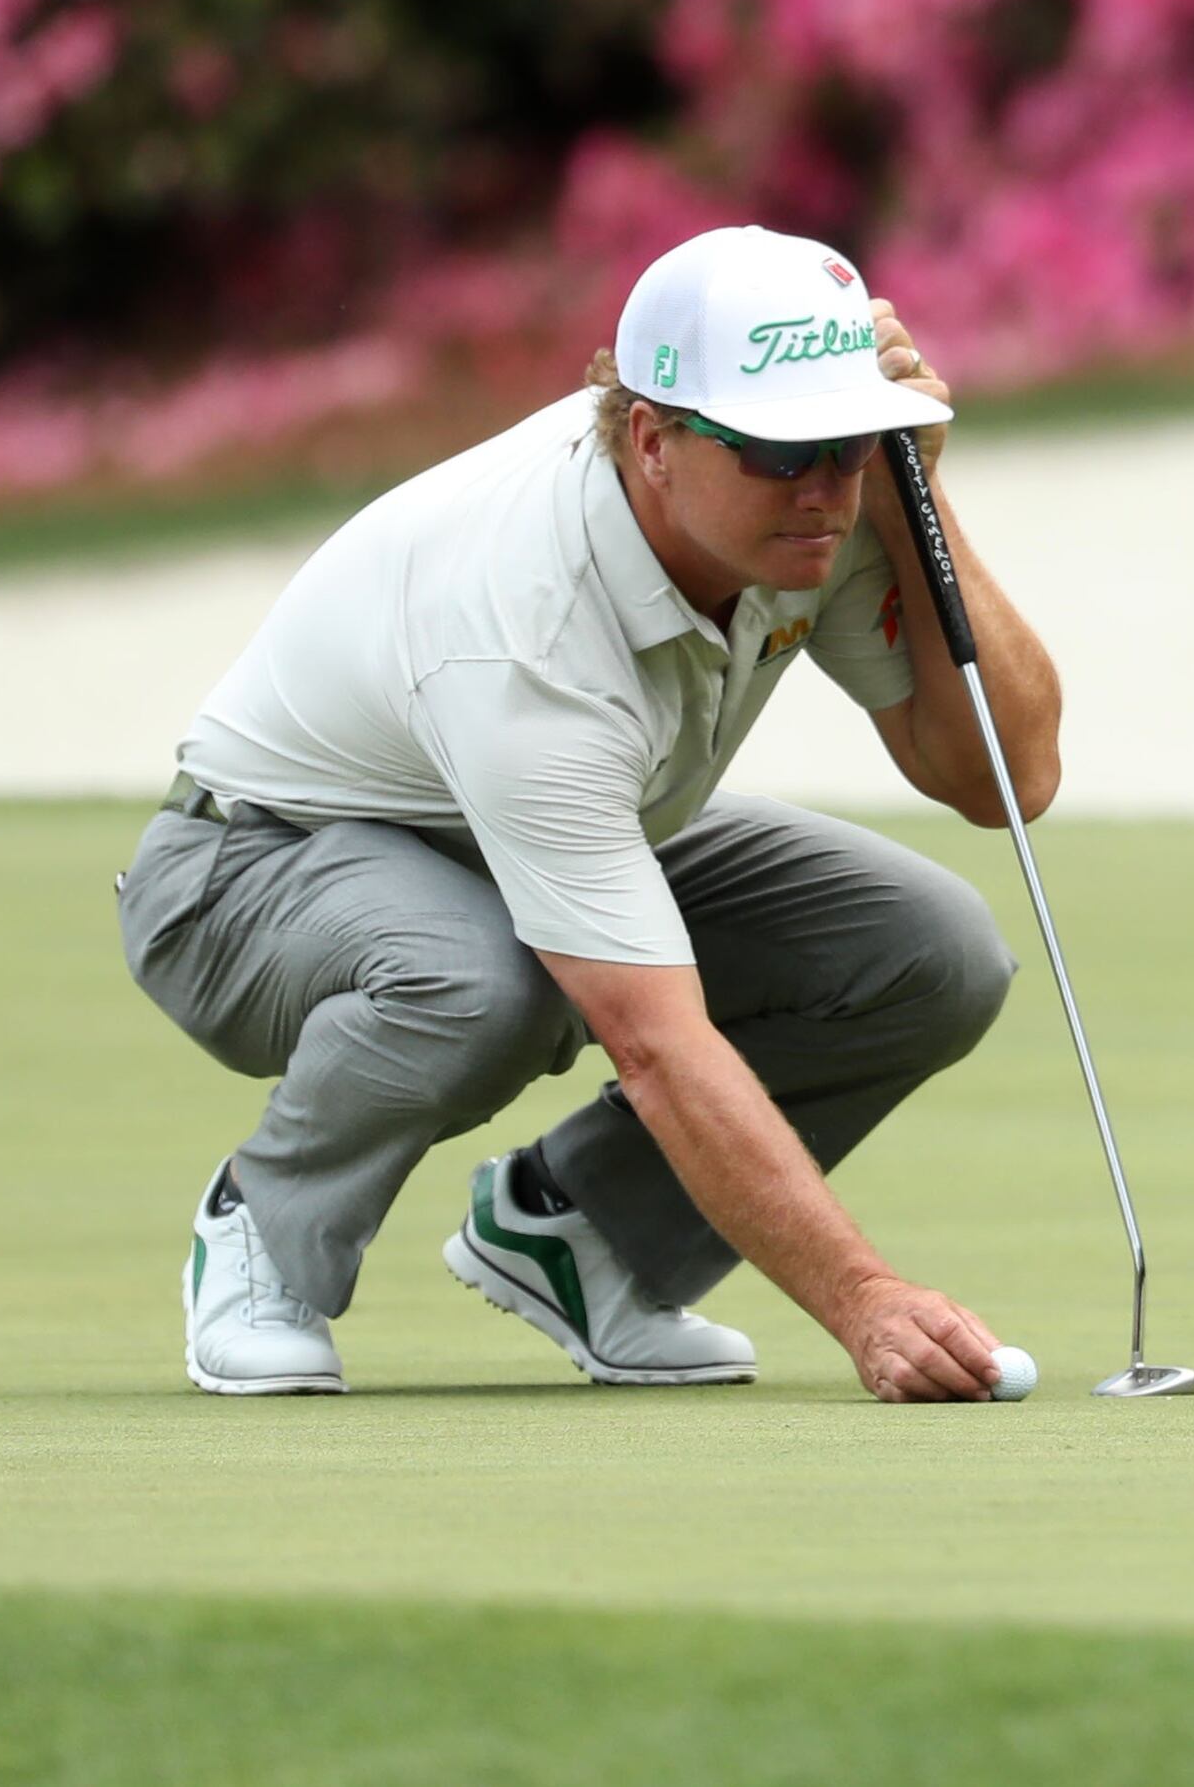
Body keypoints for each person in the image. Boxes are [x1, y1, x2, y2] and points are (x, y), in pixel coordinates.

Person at [115, 224, 1063, 1401]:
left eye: (852, 442)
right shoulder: (524, 620)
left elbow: (998, 779)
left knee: (933, 952)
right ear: (656, 441)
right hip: (243, 874)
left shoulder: (815, 500)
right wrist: (864, 1300)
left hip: (518, 835)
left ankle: (580, 1238)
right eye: (781, 452)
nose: (822, 487)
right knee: (481, 983)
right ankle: (266, 1231)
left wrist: (922, 500)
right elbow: (654, 1042)